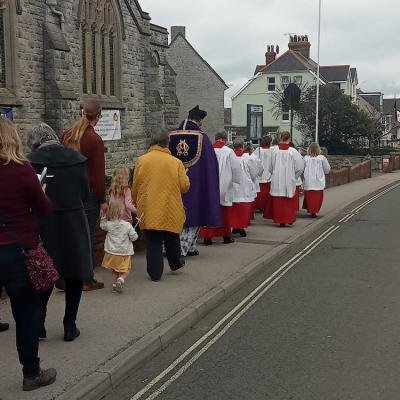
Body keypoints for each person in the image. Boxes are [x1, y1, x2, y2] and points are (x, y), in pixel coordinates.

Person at [0, 117, 57, 391]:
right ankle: (31, 373)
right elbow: (44, 209)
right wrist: (42, 192)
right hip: (18, 250)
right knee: (26, 314)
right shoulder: (22, 170)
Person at [27, 123, 92, 342]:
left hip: (44, 224)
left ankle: (39, 326)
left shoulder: (31, 162)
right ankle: (69, 325)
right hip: (73, 220)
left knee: (43, 273)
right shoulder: (76, 159)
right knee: (74, 275)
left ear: (35, 142)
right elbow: (85, 193)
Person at [132, 128, 190, 281]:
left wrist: (136, 201)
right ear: (167, 143)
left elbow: (135, 186)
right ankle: (175, 263)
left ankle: (155, 273)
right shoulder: (176, 162)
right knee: (172, 236)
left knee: (153, 240)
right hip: (171, 205)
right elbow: (184, 187)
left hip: (149, 205)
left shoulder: (142, 160)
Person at [61, 100, 106, 291]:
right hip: (87, 195)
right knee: (86, 237)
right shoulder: (94, 140)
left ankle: (66, 275)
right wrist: (103, 200)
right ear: (97, 117)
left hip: (67, 194)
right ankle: (86, 279)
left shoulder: (67, 135)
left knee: (69, 236)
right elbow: (97, 175)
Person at [169, 105, 221, 257]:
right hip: (196, 184)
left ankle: (188, 247)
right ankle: (181, 249)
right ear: (198, 121)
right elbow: (210, 165)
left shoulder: (172, 136)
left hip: (176, 182)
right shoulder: (202, 138)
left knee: (177, 214)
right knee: (195, 211)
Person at [199, 131, 241, 245]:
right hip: (225, 186)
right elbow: (236, 169)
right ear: (225, 139)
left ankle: (207, 237)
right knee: (225, 213)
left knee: (209, 211)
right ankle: (226, 236)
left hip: (209, 186)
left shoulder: (207, 150)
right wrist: (237, 182)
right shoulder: (229, 152)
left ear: (216, 138)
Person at [269, 132, 305, 227]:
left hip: (277, 179)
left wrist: (274, 173)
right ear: (289, 139)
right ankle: (289, 218)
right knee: (288, 200)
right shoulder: (293, 152)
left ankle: (280, 220)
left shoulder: (274, 151)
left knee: (279, 200)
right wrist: (294, 176)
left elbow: (270, 166)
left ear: (280, 138)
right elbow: (300, 167)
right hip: (289, 179)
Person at [100, 203, 138, 293]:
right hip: (124, 252)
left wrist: (104, 216)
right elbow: (134, 237)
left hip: (112, 252)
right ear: (121, 213)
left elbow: (102, 225)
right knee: (126, 269)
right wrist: (134, 234)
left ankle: (114, 287)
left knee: (114, 270)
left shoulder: (109, 224)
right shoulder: (127, 225)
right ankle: (121, 279)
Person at [231, 138, 263, 237]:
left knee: (233, 208)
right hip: (245, 187)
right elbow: (254, 173)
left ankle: (234, 227)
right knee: (242, 208)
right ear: (243, 146)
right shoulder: (250, 158)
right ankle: (240, 226)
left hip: (232, 187)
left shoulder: (229, 156)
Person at [303, 142, 331, 217]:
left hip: (309, 182)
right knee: (317, 198)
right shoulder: (322, 158)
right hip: (318, 181)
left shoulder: (306, 158)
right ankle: (314, 211)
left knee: (310, 197)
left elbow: (302, 168)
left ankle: (311, 210)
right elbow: (327, 169)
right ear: (318, 149)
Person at [252, 135, 274, 219]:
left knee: (259, 192)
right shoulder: (272, 151)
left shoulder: (257, 151)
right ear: (269, 143)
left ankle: (258, 207)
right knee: (266, 193)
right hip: (268, 174)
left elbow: (253, 161)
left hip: (259, 174)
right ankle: (265, 208)